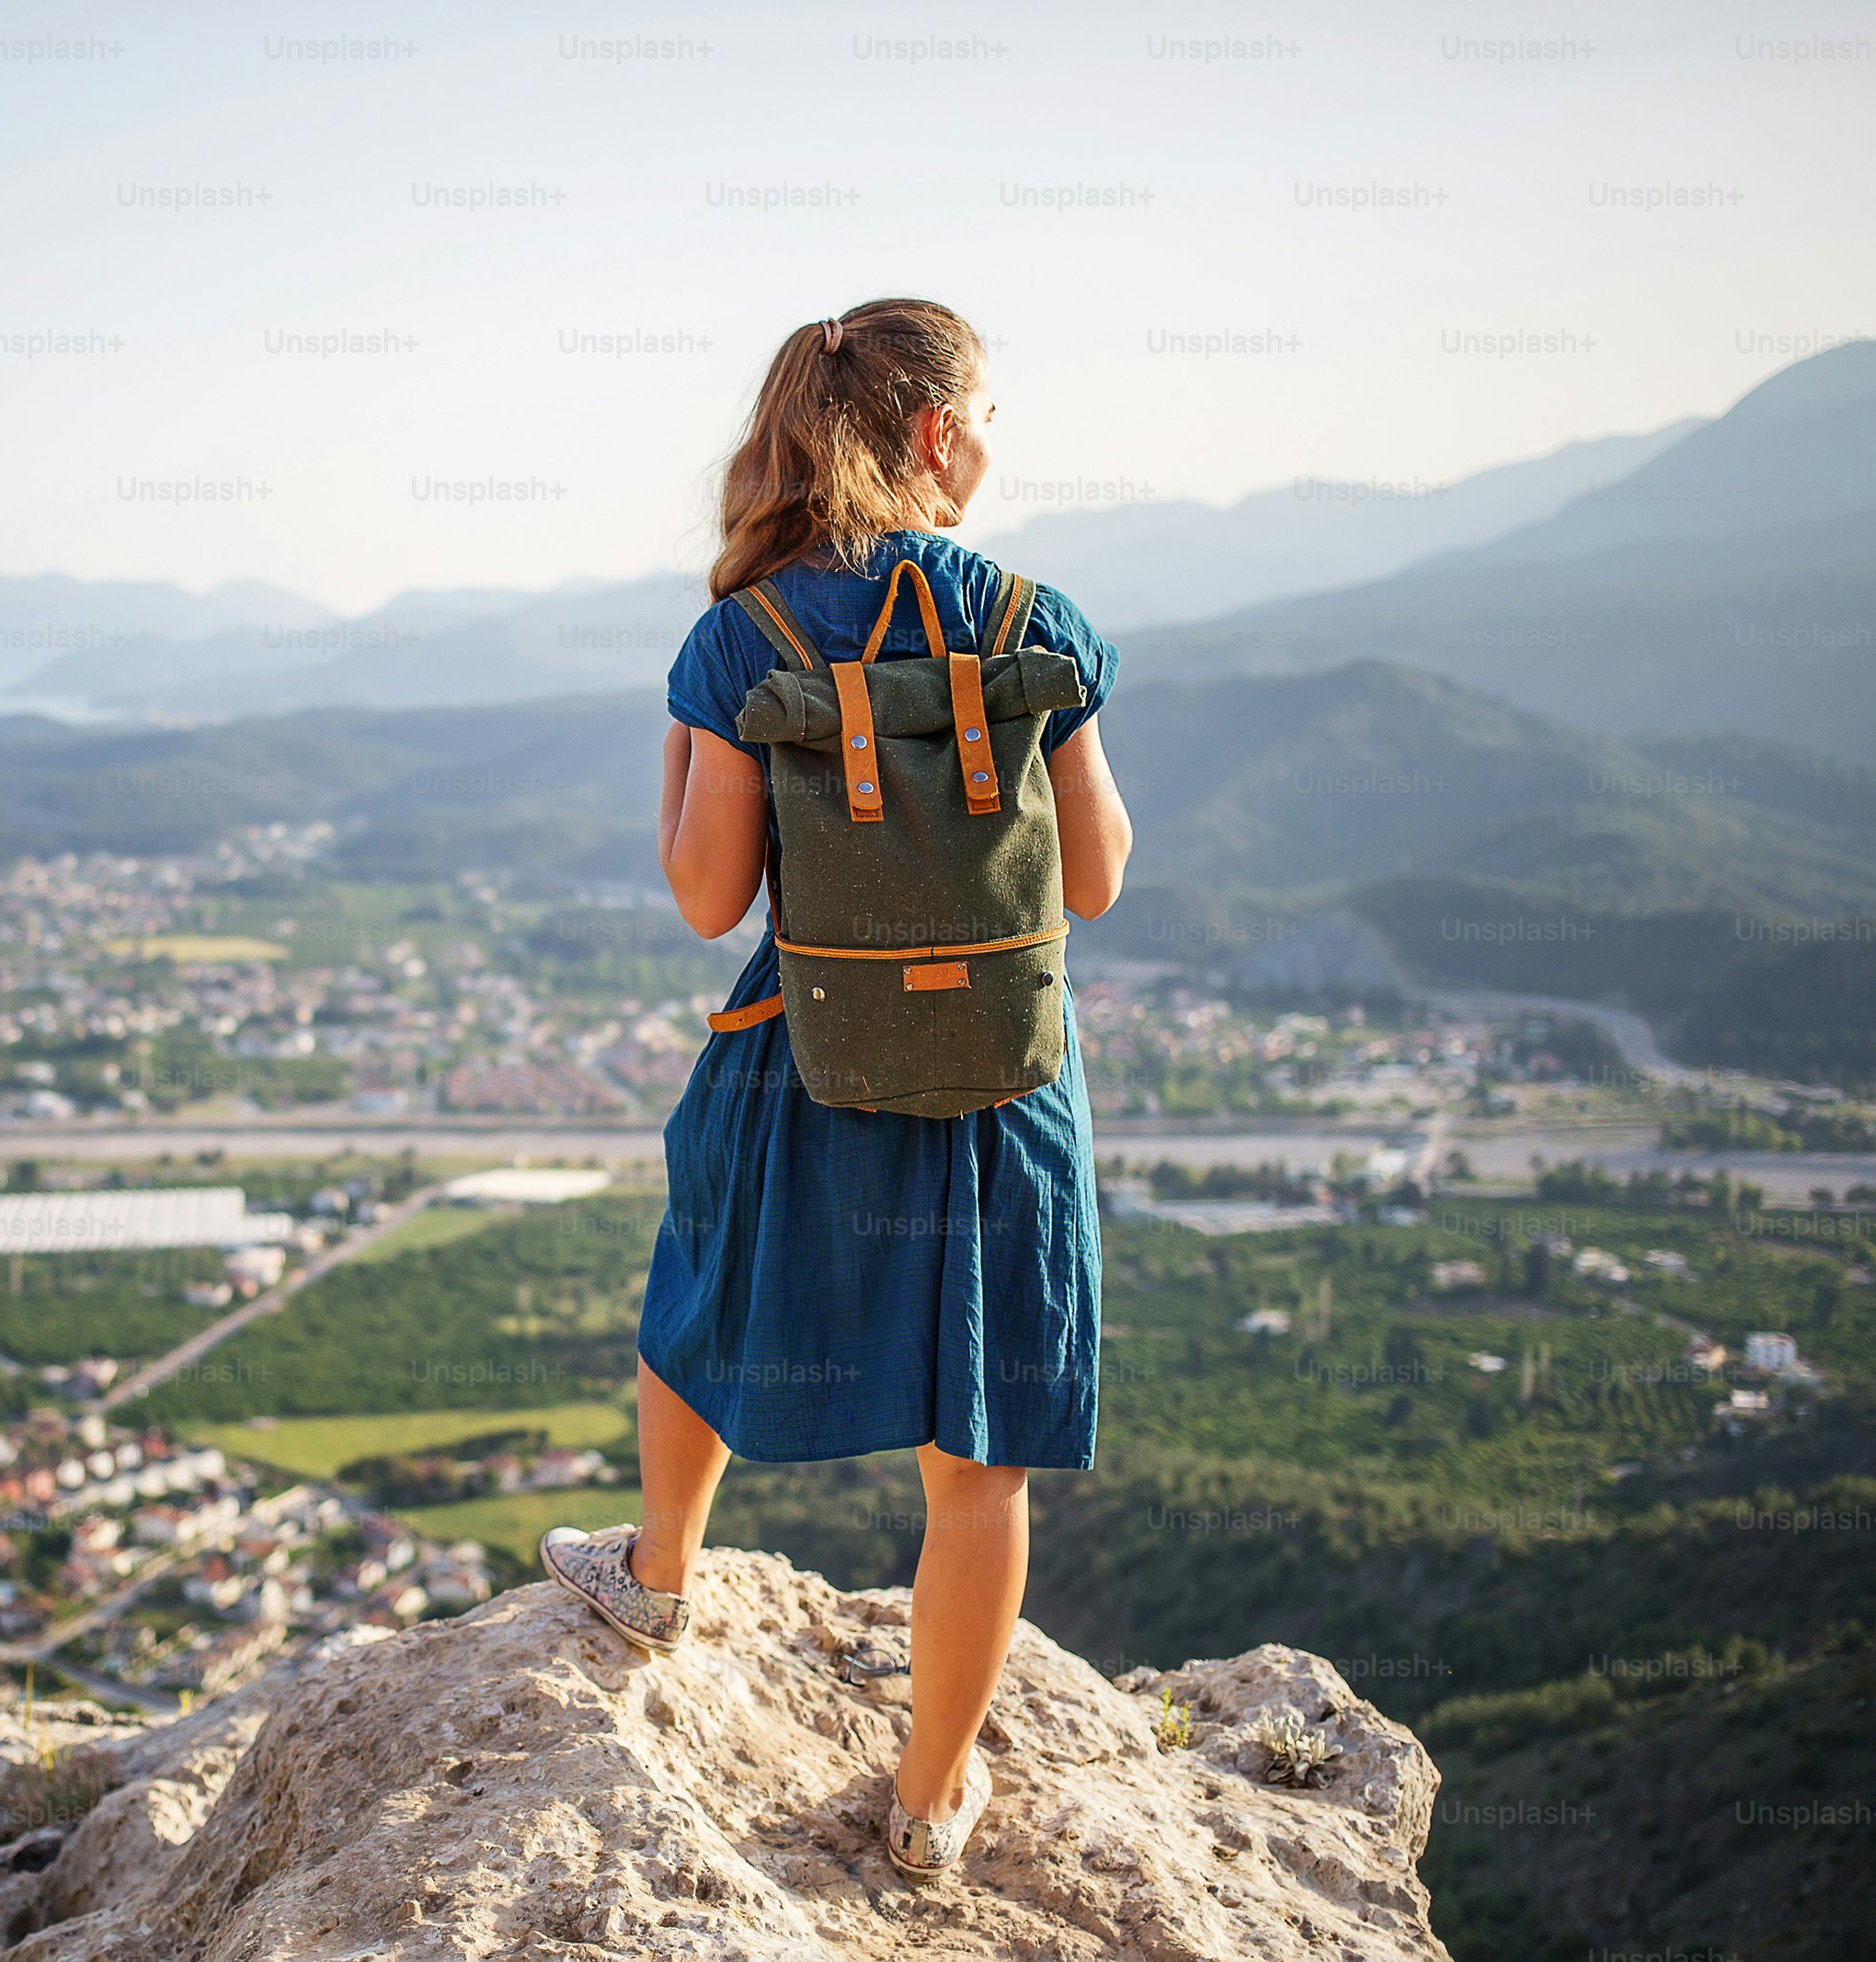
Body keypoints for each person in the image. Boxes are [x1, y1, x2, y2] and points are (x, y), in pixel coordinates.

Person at [540, 297, 1134, 1882]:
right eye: (990, 410)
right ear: (938, 434)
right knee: (981, 1444)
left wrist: (682, 768)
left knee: (706, 1276)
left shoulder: (747, 632)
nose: (997, 438)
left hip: (815, 1050)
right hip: (1005, 1075)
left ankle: (658, 1570)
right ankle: (934, 1796)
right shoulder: (1036, 614)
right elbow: (1098, 872)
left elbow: (707, 890)